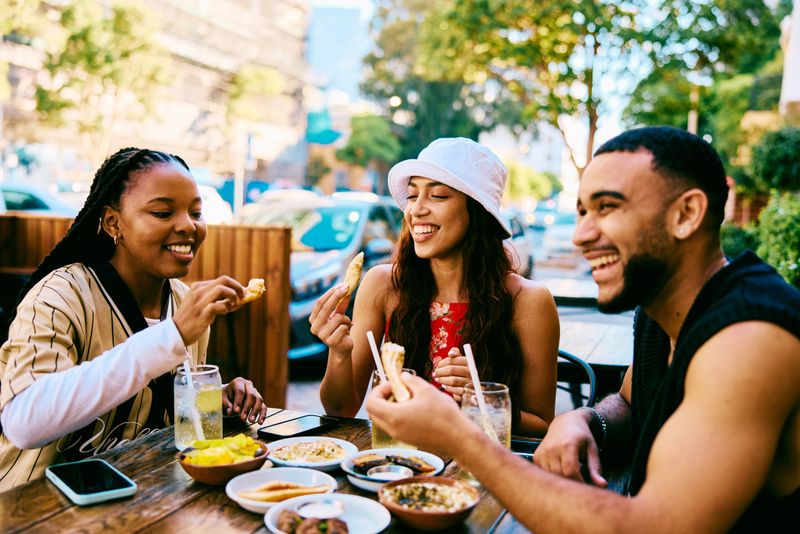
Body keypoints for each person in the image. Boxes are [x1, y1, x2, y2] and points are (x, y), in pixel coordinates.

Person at [367, 126, 800, 532]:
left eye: (608, 207)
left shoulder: (750, 337)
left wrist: (458, 434)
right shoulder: (662, 311)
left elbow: (654, 527)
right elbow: (630, 403)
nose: (580, 235)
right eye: (582, 211)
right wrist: (585, 419)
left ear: (686, 214)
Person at [0, 148, 268, 491]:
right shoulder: (58, 296)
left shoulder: (183, 301)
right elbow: (25, 422)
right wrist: (171, 336)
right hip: (35, 508)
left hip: (139, 502)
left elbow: (156, 414)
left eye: (196, 212)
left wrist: (216, 399)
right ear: (113, 222)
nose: (188, 225)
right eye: (162, 212)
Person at [310, 137, 559, 436]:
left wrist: (479, 400)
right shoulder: (382, 285)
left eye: (438, 196)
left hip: (476, 469)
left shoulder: (529, 300)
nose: (416, 209)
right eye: (413, 195)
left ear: (478, 211)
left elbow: (542, 425)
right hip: (396, 465)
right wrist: (338, 353)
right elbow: (340, 409)